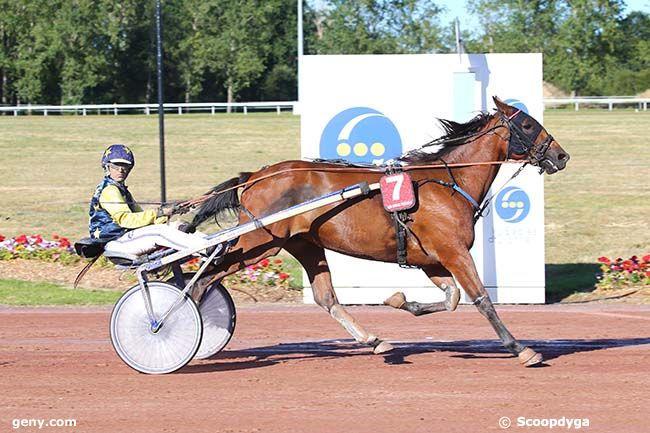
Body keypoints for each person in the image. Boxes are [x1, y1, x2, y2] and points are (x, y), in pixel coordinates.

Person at [88, 144, 208, 257]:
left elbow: (141, 219)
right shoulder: (110, 190)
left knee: (176, 227)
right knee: (160, 232)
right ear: (107, 167)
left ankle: (212, 243)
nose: (120, 170)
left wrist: (171, 212)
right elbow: (126, 220)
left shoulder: (121, 190)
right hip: (115, 242)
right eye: (116, 165)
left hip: (124, 239)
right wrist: (160, 212)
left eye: (125, 166)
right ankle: (207, 249)